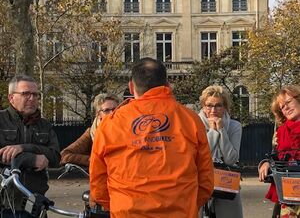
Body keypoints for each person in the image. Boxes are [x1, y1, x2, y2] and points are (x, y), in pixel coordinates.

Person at [90, 57, 214, 218]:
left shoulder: (111, 123)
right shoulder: (190, 120)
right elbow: (206, 180)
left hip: (128, 212)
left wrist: (118, 205)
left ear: (131, 87)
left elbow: (98, 183)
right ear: (168, 85)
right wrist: (187, 204)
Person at [0, 75, 61, 217]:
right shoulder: (1, 121)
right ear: (11, 98)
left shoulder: (45, 125)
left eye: (35, 94)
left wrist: (23, 148)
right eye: (26, 94)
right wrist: (33, 159)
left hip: (34, 203)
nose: (32, 98)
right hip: (4, 204)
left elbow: (56, 157)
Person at [199, 85, 243, 218]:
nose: (213, 110)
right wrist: (212, 132)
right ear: (203, 107)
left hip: (226, 181)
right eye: (209, 105)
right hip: (201, 180)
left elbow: (231, 159)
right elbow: (201, 155)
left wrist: (222, 130)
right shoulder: (195, 124)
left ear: (225, 107)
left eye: (218, 105)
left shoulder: (235, 126)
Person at [258, 85, 300, 218]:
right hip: (289, 195)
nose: (285, 108)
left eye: (288, 102)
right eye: (282, 107)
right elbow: (276, 155)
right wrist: (267, 163)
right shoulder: (280, 131)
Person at [60, 93, 119, 167]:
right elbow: (64, 155)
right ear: (98, 114)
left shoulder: (128, 130)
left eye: (115, 109)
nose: (112, 113)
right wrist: (96, 160)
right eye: (106, 110)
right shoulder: (92, 133)